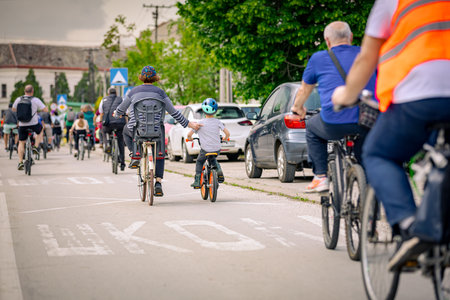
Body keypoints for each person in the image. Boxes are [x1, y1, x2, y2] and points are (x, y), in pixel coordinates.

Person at [332, 0, 450, 270]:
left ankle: (410, 228)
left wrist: (345, 95)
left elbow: (367, 58)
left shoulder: (392, 2)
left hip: (418, 95)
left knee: (378, 154)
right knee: (438, 156)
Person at [291, 21, 377, 193]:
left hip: (333, 121)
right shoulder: (369, 55)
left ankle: (320, 176)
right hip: (367, 119)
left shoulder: (319, 58)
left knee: (312, 128)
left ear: (327, 41)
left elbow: (304, 90)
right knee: (364, 148)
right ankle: (368, 191)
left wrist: (297, 109)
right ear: (351, 37)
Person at [114, 65, 202, 196]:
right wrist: (190, 124)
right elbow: (174, 113)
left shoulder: (132, 92)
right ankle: (159, 182)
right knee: (160, 153)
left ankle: (134, 153)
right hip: (157, 130)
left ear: (141, 77)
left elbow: (121, 109)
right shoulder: (160, 93)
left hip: (137, 130)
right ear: (155, 78)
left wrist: (117, 113)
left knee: (126, 130)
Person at [187, 98, 230, 188]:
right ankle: (218, 170)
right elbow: (227, 133)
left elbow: (189, 135)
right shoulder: (218, 122)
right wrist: (225, 138)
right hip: (217, 149)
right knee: (212, 158)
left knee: (199, 161)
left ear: (203, 110)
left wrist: (190, 138)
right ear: (215, 110)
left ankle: (197, 181)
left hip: (205, 149)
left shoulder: (200, 123)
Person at [12, 85, 48, 170]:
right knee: (41, 129)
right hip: (33, 124)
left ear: (24, 91)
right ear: (32, 91)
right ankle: (35, 146)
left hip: (22, 125)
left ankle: (20, 162)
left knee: (21, 142)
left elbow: (13, 109)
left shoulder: (18, 99)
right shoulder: (35, 100)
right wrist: (37, 110)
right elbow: (46, 110)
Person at [99, 87, 126, 171]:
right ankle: (122, 163)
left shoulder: (103, 100)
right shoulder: (121, 99)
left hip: (108, 124)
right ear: (116, 93)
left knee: (103, 131)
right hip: (120, 123)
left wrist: (100, 121)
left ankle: (107, 144)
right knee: (121, 141)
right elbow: (126, 112)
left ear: (108, 93)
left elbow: (101, 112)